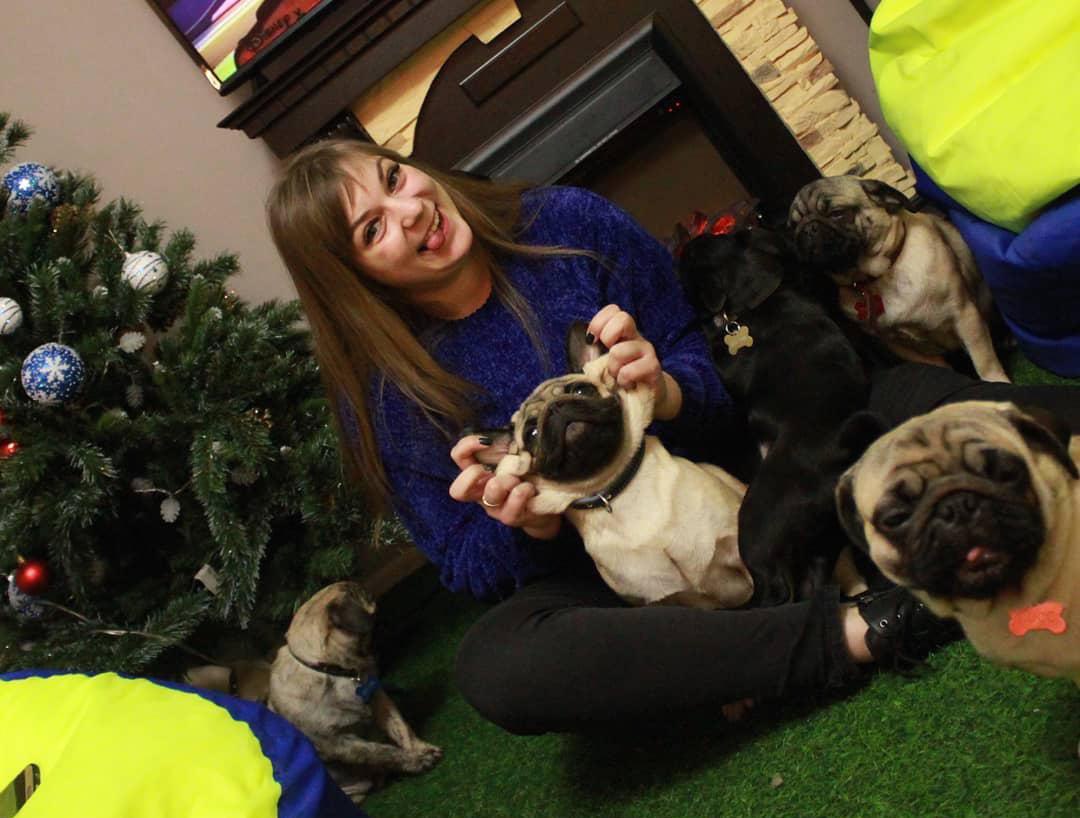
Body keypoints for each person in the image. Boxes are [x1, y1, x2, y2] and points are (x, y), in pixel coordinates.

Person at [266, 138, 1080, 736]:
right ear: (354, 277)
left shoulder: (566, 222)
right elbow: (465, 566)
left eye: (395, 178)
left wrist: (667, 387)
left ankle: (765, 643)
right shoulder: (385, 395)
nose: (412, 211)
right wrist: (525, 526)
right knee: (497, 666)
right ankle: (869, 628)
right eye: (372, 230)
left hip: (750, 460)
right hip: (615, 572)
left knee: (934, 402)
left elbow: (720, 362)